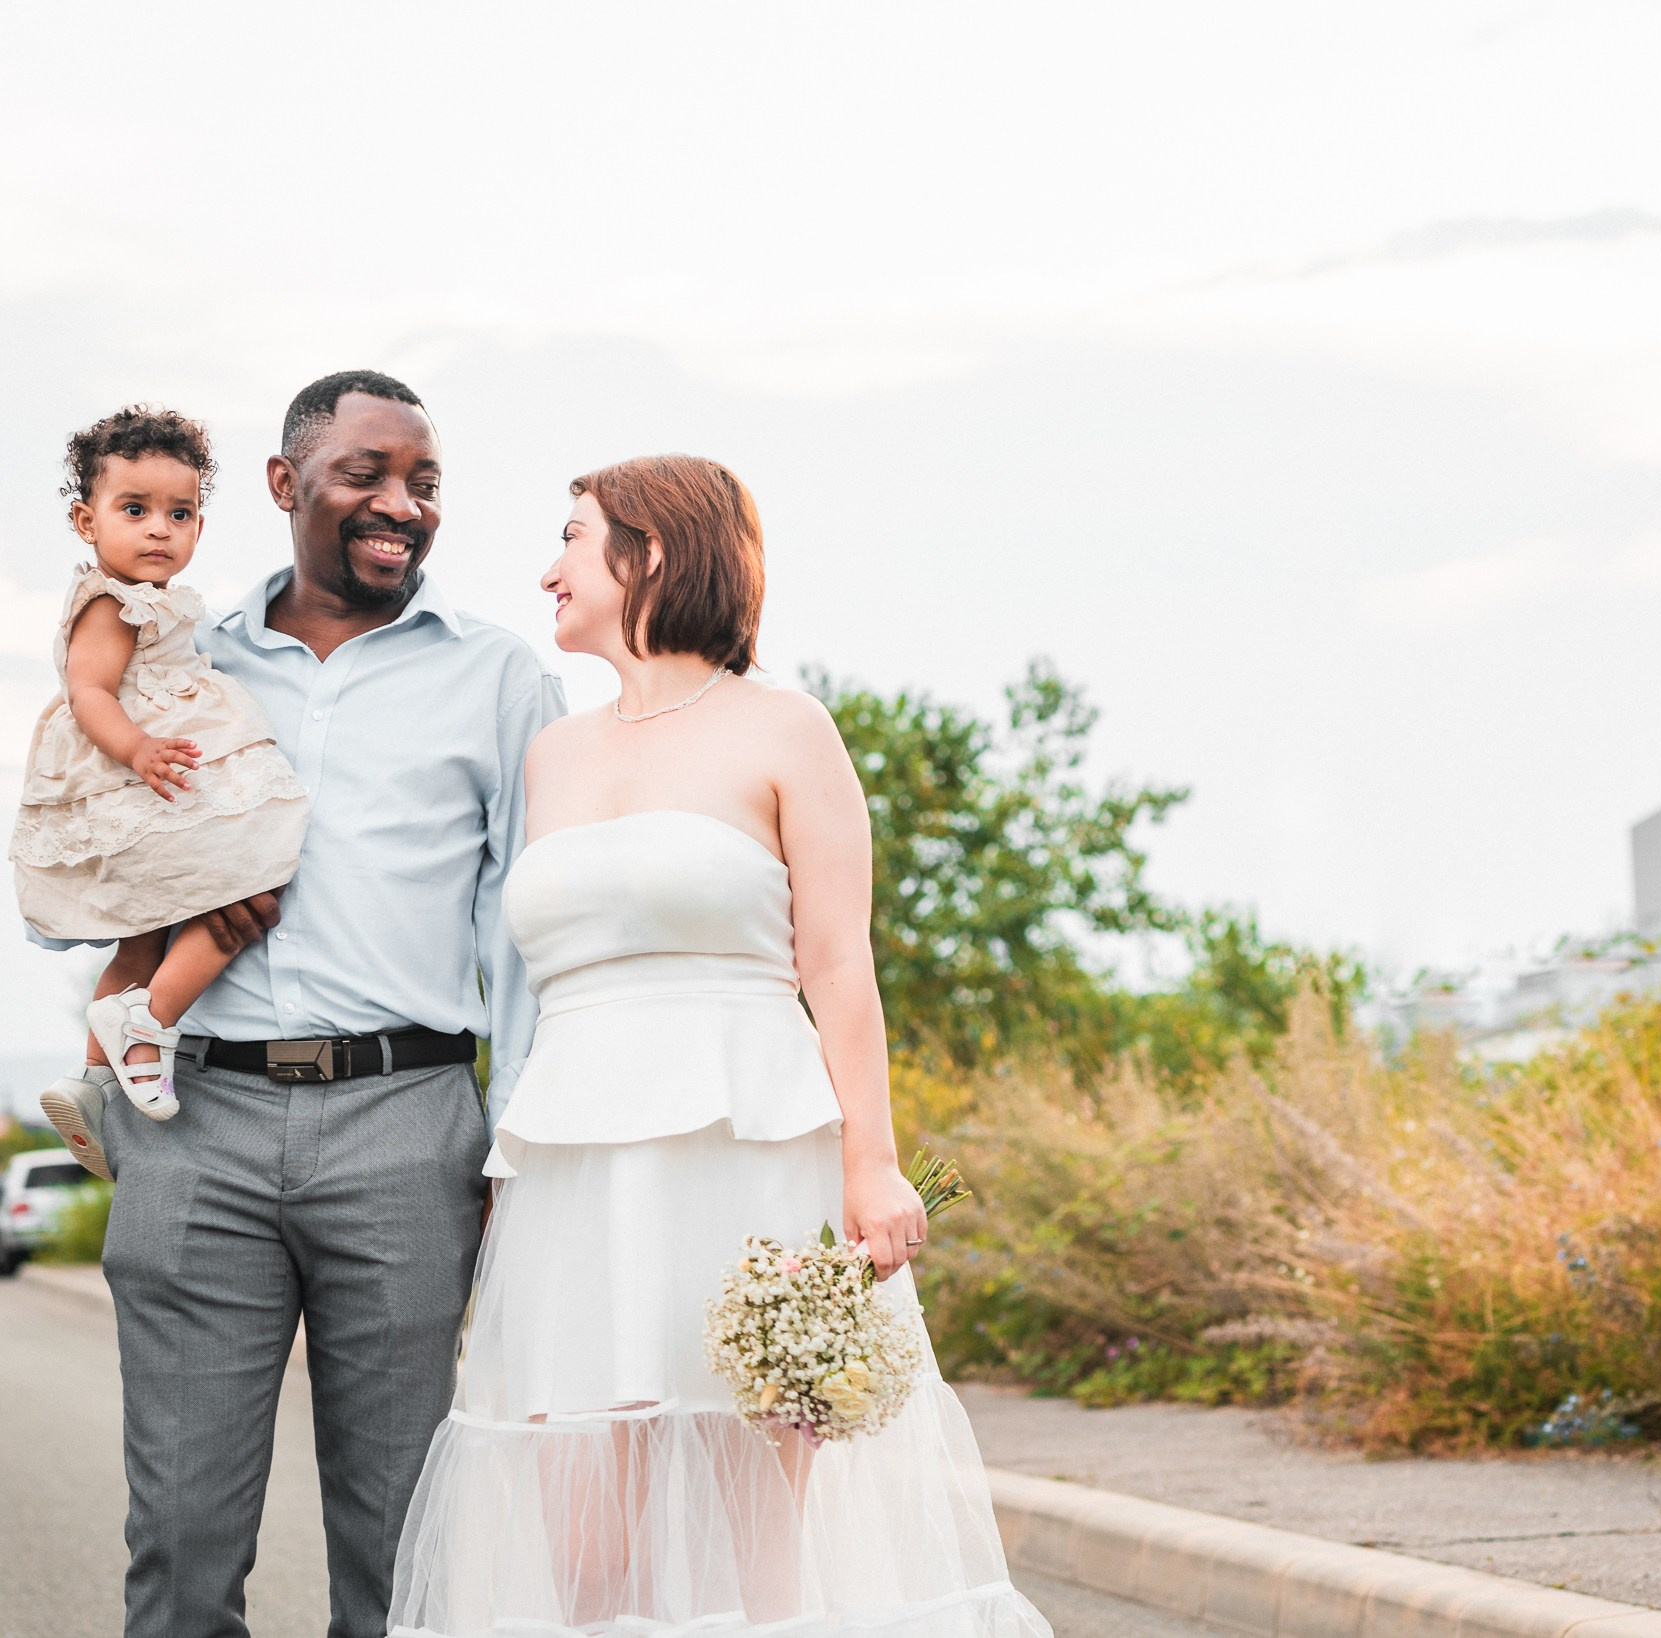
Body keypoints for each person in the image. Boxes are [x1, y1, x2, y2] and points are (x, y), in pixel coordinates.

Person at [388, 455, 1049, 1636]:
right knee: (582, 1550)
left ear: (648, 553)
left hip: (745, 1156)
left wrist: (871, 1162)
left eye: (572, 538)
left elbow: (838, 965)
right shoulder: (554, 754)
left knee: (745, 1549)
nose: (547, 568)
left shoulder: (787, 729)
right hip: (576, 1174)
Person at [82, 370, 565, 1638]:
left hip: (408, 1127)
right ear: (288, 487)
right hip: (195, 1121)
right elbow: (66, 865)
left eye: (424, 482)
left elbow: (523, 933)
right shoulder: (177, 655)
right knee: (180, 1539)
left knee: (404, 1534)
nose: (400, 504)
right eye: (366, 474)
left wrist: (510, 1142)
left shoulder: (502, 679)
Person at [14, 407, 310, 1173]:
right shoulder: (112, 603)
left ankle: (90, 1079)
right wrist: (139, 748)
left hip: (153, 767)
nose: (158, 530)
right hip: (135, 768)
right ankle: (150, 1021)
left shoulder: (159, 601)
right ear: (86, 520)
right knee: (241, 885)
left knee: (144, 934)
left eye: (178, 514)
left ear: (200, 529)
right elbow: (89, 694)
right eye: (134, 510)